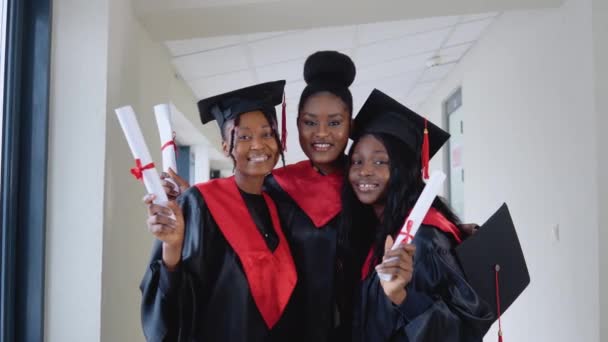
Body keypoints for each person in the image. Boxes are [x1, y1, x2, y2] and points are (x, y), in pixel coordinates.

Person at [140, 80, 299, 342]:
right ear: (226, 147)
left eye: (267, 133)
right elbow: (178, 300)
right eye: (244, 136)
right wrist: (172, 247)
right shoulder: (200, 203)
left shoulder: (278, 206)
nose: (258, 145)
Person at [341, 89, 494, 342]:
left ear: (404, 168)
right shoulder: (382, 227)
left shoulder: (422, 239)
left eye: (380, 162)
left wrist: (402, 297)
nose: (364, 171)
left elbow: (461, 332)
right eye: (357, 161)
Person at [263, 50, 357, 341]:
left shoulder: (366, 185)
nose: (322, 133)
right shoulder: (276, 186)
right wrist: (193, 202)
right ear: (297, 124)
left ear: (351, 125)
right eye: (310, 122)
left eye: (335, 122)